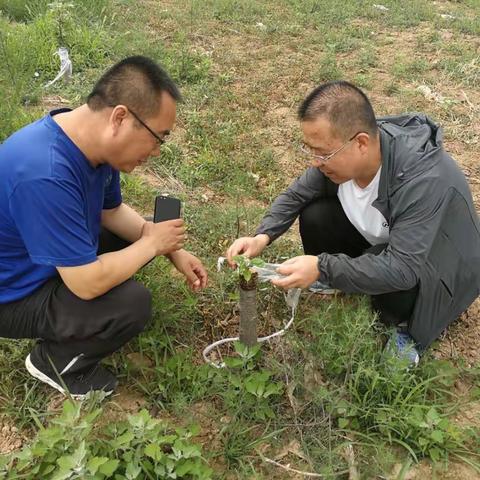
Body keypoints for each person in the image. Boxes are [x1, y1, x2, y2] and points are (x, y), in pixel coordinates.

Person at [227, 81, 480, 364]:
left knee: (395, 287)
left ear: (360, 142)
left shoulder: (421, 179)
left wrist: (322, 267)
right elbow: (297, 194)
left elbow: (403, 269)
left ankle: (407, 332)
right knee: (316, 217)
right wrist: (262, 236)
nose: (315, 162)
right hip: (386, 241)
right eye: (311, 150)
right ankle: (344, 281)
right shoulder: (348, 155)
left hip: (437, 272)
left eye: (323, 153)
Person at [0, 56, 208, 399]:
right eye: (158, 138)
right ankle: (53, 363)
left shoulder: (88, 143)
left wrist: (173, 250)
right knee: (131, 304)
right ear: (120, 118)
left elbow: (110, 213)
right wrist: (151, 245)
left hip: (34, 259)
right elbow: (85, 283)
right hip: (10, 294)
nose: (156, 152)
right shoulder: (45, 172)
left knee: (125, 240)